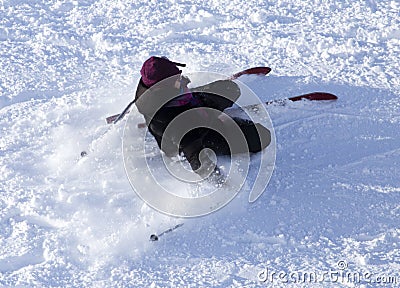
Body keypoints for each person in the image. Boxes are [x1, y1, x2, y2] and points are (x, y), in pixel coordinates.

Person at [134, 56, 271, 179]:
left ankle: (204, 108)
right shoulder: (173, 121)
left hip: (190, 104)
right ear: (163, 86)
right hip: (201, 134)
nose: (180, 78)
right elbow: (195, 155)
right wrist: (219, 181)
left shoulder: (148, 84)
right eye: (176, 78)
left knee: (230, 88)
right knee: (261, 136)